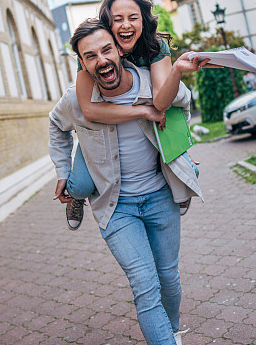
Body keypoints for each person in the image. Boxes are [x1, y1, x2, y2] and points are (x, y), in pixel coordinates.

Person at [49, 19, 203, 345]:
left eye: (107, 50)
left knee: (169, 279)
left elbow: (183, 104)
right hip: (116, 206)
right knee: (145, 285)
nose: (101, 60)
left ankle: (171, 332)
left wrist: (180, 148)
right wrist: (63, 170)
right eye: (90, 56)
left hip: (160, 196)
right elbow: (56, 125)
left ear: (119, 49)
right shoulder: (76, 100)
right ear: (82, 64)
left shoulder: (152, 84)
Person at [61, 0, 207, 229]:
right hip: (102, 126)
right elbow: (89, 110)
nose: (125, 25)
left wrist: (177, 71)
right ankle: (75, 198)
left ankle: (179, 189)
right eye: (117, 19)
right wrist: (143, 111)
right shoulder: (94, 48)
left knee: (186, 169)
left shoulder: (155, 46)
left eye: (133, 18)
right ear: (108, 24)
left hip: (148, 116)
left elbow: (161, 102)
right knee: (82, 185)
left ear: (143, 21)